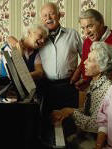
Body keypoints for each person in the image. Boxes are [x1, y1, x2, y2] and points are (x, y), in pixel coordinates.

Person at [52, 41, 112, 149]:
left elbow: (97, 125)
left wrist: (71, 112)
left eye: (90, 60)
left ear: (102, 67)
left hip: (100, 141)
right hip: (89, 135)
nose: (84, 62)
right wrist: (66, 111)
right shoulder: (95, 83)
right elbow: (90, 112)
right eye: (87, 58)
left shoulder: (107, 88)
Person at [38, 2, 82, 147]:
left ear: (59, 15)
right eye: (45, 15)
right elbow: (23, 46)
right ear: (41, 19)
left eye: (51, 13)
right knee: (47, 128)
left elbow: (86, 57)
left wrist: (78, 73)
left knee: (68, 127)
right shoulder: (38, 37)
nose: (48, 18)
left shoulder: (72, 34)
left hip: (68, 87)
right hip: (47, 88)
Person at [71, 9, 112, 90]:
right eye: (83, 28)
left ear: (101, 23)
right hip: (93, 90)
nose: (86, 32)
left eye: (90, 26)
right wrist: (84, 80)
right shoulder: (87, 42)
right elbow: (85, 64)